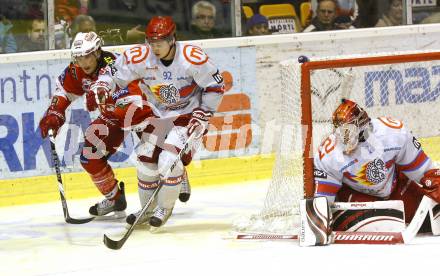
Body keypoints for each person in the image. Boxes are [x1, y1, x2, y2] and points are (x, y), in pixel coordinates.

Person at [90, 16, 225, 228]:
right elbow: (112, 73)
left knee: (168, 160)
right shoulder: (140, 57)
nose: (154, 47)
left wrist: (204, 113)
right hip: (157, 114)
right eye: (151, 42)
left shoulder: (192, 58)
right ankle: (147, 208)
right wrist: (102, 85)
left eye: (159, 42)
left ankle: (164, 207)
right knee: (144, 160)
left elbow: (216, 86)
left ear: (173, 39)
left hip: (187, 117)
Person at [313, 99, 440, 224]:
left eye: (347, 130)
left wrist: (434, 181)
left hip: (394, 186)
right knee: (381, 223)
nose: (343, 136)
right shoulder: (329, 153)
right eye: (339, 130)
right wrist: (320, 219)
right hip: (356, 195)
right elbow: (322, 199)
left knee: (427, 219)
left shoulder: (392, 134)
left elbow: (424, 171)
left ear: (361, 124)